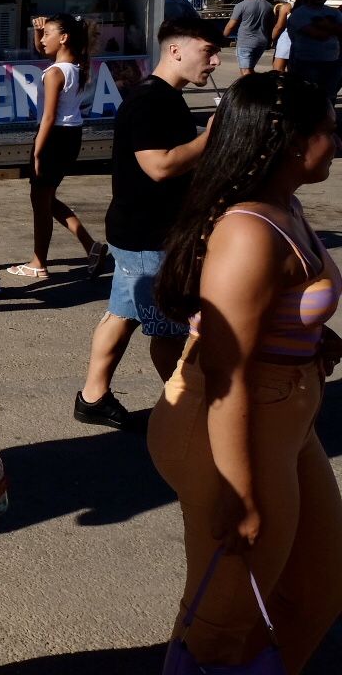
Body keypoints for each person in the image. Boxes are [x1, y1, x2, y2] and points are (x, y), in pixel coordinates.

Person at [148, 72, 342, 673]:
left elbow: (275, 310)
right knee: (220, 622)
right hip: (231, 424)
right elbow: (225, 369)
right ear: (290, 141)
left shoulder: (286, 205)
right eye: (328, 130)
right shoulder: (249, 233)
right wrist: (239, 495)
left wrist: (310, 335)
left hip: (286, 415)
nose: (335, 142)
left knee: (318, 590)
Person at [76, 16, 218, 429]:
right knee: (168, 332)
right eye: (207, 51)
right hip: (147, 236)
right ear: (176, 50)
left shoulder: (166, 97)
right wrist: (211, 137)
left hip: (140, 231)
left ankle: (92, 397)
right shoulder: (149, 100)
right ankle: (189, 413)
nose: (213, 62)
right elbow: (158, 165)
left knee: (122, 314)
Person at [7, 14, 105, 284]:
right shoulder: (74, 67)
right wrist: (39, 31)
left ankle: (39, 262)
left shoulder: (54, 73)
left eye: (48, 33)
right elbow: (42, 48)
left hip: (54, 137)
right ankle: (90, 245)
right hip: (71, 136)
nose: (43, 39)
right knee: (46, 200)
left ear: (63, 38)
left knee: (40, 202)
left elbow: (48, 116)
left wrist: (37, 150)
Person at [284, 0, 342, 100]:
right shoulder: (299, 14)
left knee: (329, 97)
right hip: (306, 63)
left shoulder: (334, 12)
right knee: (308, 97)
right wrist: (335, 28)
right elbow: (318, 35)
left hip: (333, 62)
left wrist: (326, 25)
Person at [224, 0, 273, 74]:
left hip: (246, 42)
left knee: (245, 72)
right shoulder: (268, 5)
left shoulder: (241, 5)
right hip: (261, 42)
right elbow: (271, 25)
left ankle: (251, 88)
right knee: (250, 69)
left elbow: (230, 26)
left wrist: (222, 37)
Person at [270, 0, 302, 72]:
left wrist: (273, 37)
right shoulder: (306, 6)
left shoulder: (287, 6)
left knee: (278, 71)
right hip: (300, 41)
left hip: (286, 41)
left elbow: (279, 26)